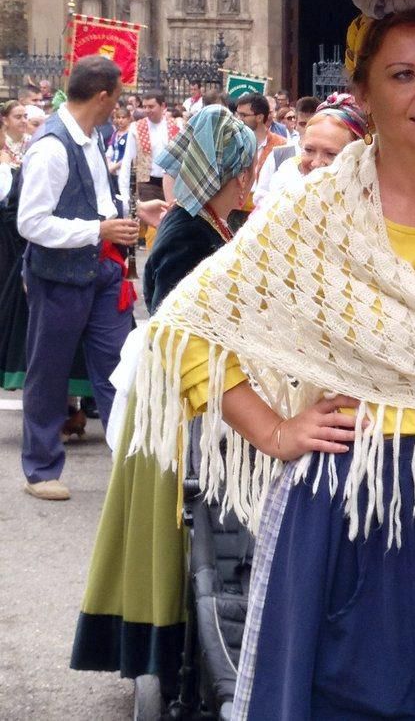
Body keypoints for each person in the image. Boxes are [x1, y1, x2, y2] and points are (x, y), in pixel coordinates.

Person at [129, 0, 415, 717]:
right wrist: (275, 432)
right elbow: (186, 328)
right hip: (351, 504)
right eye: (403, 75)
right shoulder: (314, 212)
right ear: (363, 94)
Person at [71, 105, 257, 692]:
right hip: (178, 405)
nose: (247, 181)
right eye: (240, 171)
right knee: (173, 531)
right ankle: (169, 653)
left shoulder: (205, 224)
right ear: (220, 172)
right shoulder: (187, 234)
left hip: (192, 394)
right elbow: (183, 328)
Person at [17, 56, 139, 500]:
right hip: (60, 276)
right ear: (103, 96)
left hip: (101, 270)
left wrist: (125, 216)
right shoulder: (51, 147)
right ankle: (41, 469)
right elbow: (31, 224)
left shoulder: (90, 136)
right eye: (118, 98)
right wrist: (97, 230)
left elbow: (96, 198)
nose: (118, 108)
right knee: (48, 373)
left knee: (119, 368)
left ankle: (131, 465)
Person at [118, 91, 180, 251]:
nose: (147, 110)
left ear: (163, 106)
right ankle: (154, 253)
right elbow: (128, 160)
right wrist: (124, 190)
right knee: (154, 223)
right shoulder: (136, 128)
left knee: (171, 220)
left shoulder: (176, 127)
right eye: (145, 107)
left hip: (172, 183)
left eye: (151, 106)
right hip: (148, 182)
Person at [236, 92, 287, 212]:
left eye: (243, 115)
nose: (239, 120)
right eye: (237, 115)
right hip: (235, 210)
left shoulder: (282, 145)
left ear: (259, 117)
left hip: (267, 212)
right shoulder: (234, 143)